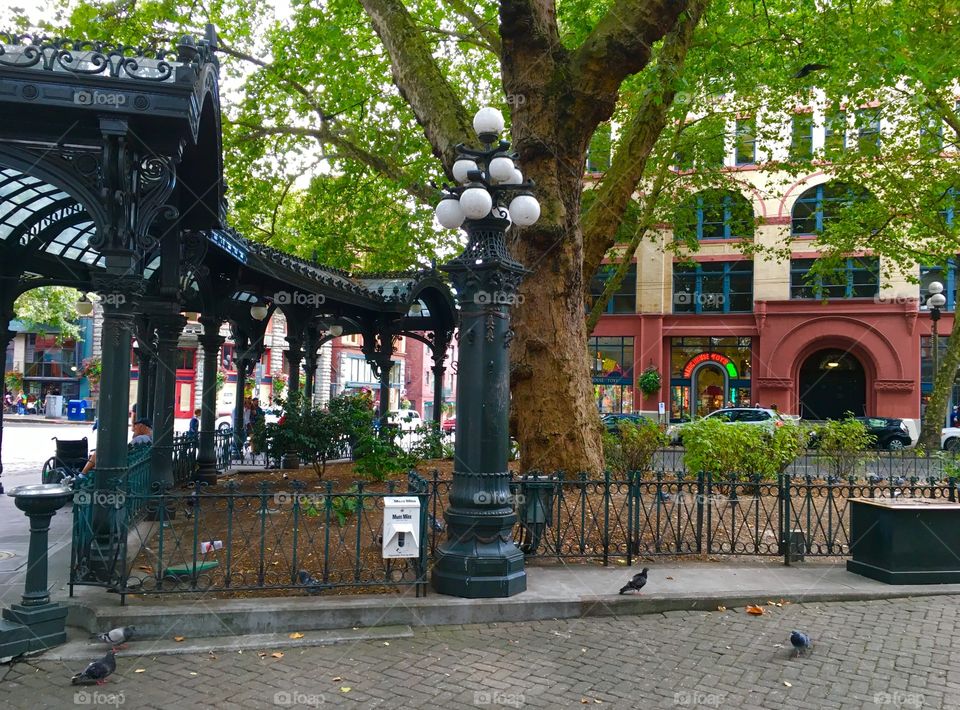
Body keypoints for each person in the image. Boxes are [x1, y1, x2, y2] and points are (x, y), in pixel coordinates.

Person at [81, 418, 153, 475]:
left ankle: (82, 475)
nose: (133, 430)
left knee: (99, 451)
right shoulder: (150, 438)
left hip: (122, 465)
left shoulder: (140, 438)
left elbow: (126, 450)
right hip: (134, 464)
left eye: (135, 428)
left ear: (141, 426)